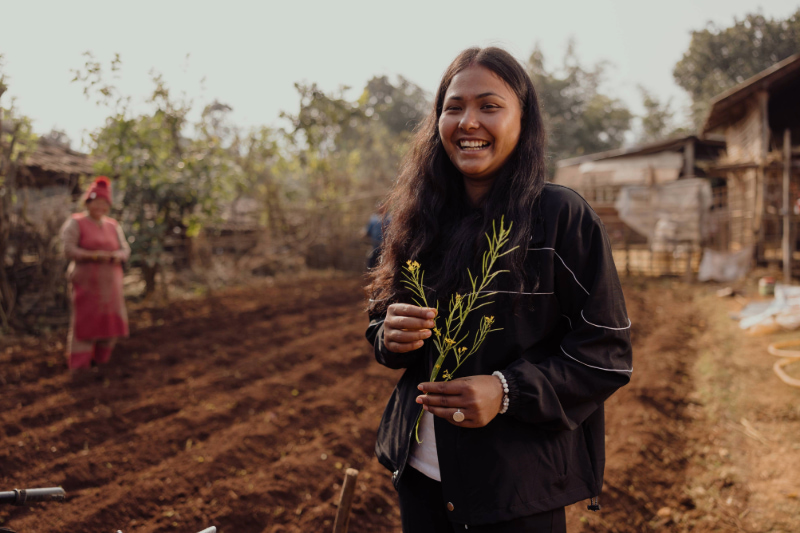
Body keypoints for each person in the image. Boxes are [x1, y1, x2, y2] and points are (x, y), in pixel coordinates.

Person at [365, 47, 633, 532]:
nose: (469, 122)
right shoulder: (416, 219)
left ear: (522, 120)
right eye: (454, 107)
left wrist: (507, 391)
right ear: (437, 120)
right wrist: (389, 335)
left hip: (517, 491)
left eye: (489, 106)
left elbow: (605, 353)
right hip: (421, 477)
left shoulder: (560, 219)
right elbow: (379, 321)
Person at [60, 176, 131, 371]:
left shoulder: (113, 225)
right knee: (85, 324)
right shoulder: (76, 223)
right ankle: (80, 368)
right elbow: (68, 250)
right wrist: (94, 256)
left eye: (104, 203)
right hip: (86, 284)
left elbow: (125, 249)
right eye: (96, 202)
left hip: (111, 284)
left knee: (110, 322)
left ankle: (101, 362)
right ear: (88, 202)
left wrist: (119, 255)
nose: (100, 207)